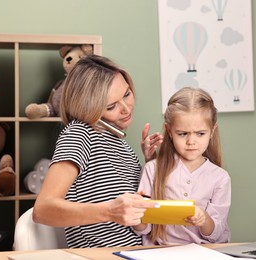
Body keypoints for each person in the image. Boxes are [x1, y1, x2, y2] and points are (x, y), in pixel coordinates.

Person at [33, 55, 163, 248]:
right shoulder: (79, 134)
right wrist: (110, 211)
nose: (126, 109)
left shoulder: (119, 142)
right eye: (111, 106)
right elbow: (43, 210)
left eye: (127, 94)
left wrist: (150, 163)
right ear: (88, 107)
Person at [133, 87, 231, 245]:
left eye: (200, 133)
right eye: (182, 133)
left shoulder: (220, 177)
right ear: (169, 131)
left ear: (212, 131)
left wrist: (204, 219)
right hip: (161, 253)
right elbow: (143, 229)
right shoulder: (152, 169)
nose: (191, 141)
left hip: (204, 253)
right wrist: (136, 213)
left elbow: (216, 233)